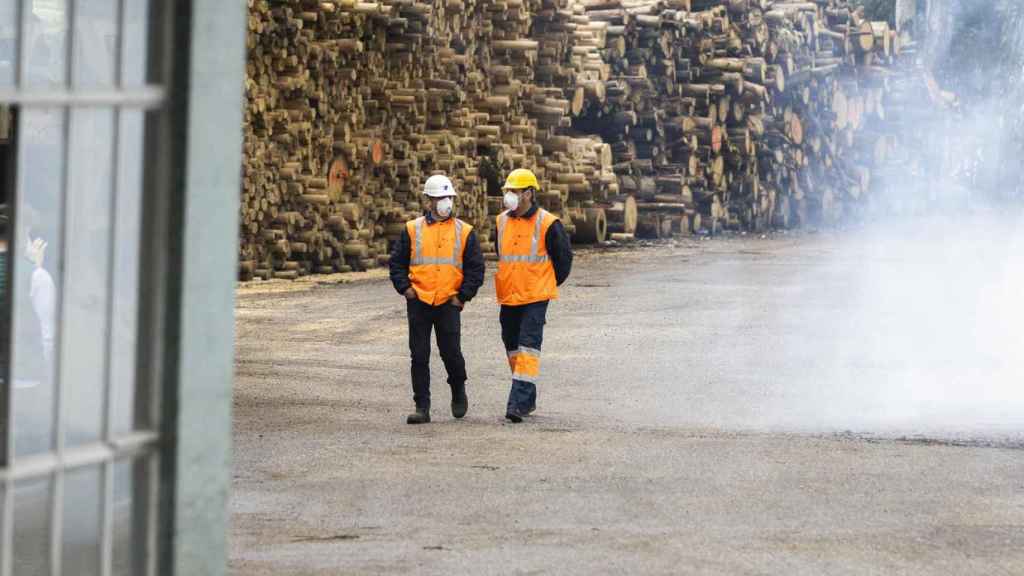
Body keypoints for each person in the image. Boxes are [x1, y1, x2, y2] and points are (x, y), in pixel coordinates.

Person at [389, 174, 484, 424]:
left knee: (451, 352)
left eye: (448, 198)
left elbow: (476, 269)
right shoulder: (412, 229)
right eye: (440, 198)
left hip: (448, 302)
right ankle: (422, 406)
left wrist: (463, 296)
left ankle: (458, 391)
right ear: (429, 201)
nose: (445, 202)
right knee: (418, 355)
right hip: (419, 300)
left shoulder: (465, 231)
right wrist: (406, 289)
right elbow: (396, 263)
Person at [495, 169, 573, 423]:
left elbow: (563, 261)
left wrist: (545, 282)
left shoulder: (548, 223)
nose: (509, 196)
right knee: (512, 346)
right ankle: (527, 398)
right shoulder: (501, 221)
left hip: (536, 295)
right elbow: (503, 255)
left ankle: (516, 404)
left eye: (514, 192)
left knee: (528, 346)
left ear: (528, 193)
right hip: (509, 295)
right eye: (507, 191)